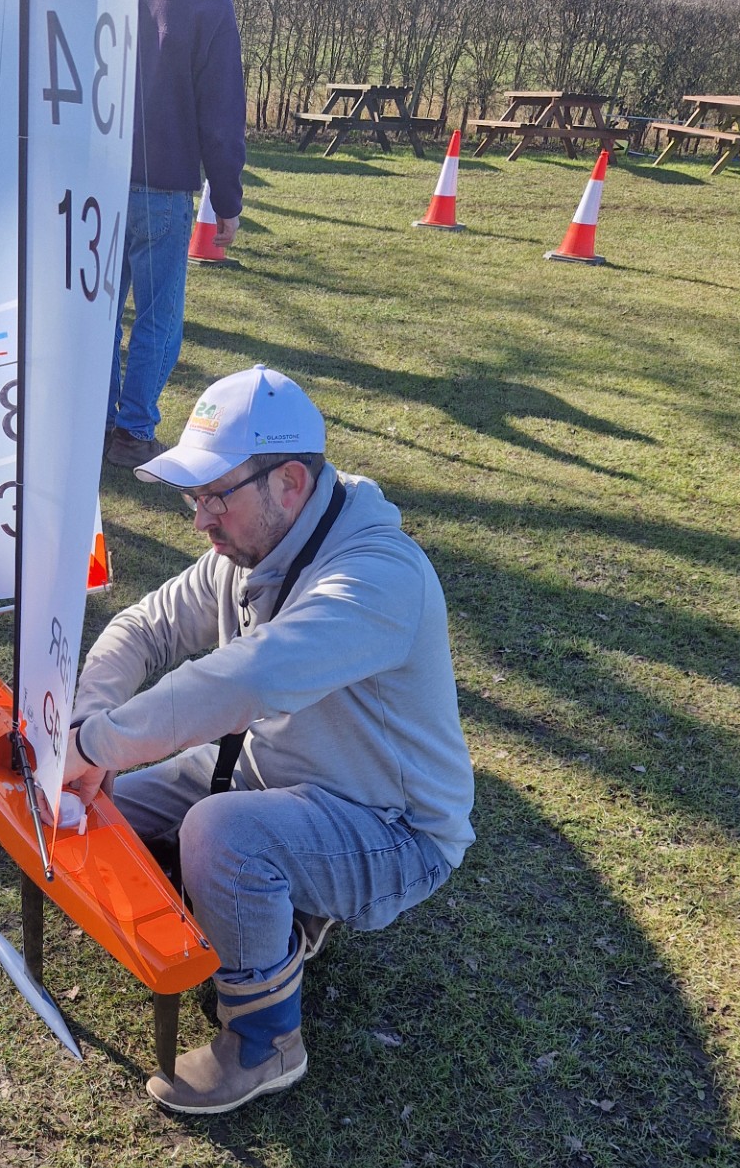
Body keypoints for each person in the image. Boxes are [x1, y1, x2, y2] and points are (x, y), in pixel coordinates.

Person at [65, 366, 476, 1116]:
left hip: (394, 829)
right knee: (109, 811)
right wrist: (82, 727)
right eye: (193, 498)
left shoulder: (378, 578)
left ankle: (266, 1042)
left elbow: (249, 678)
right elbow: (146, 627)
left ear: (289, 482)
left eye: (214, 497)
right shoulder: (255, 549)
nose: (200, 521)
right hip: (277, 775)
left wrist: (99, 746)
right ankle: (277, 911)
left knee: (220, 834)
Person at [104, 0, 246, 470]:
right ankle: (132, 430)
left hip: (99, 179)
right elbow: (221, 117)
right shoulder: (210, 3)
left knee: (101, 309)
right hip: (164, 187)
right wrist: (228, 200)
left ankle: (93, 418)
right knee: (158, 320)